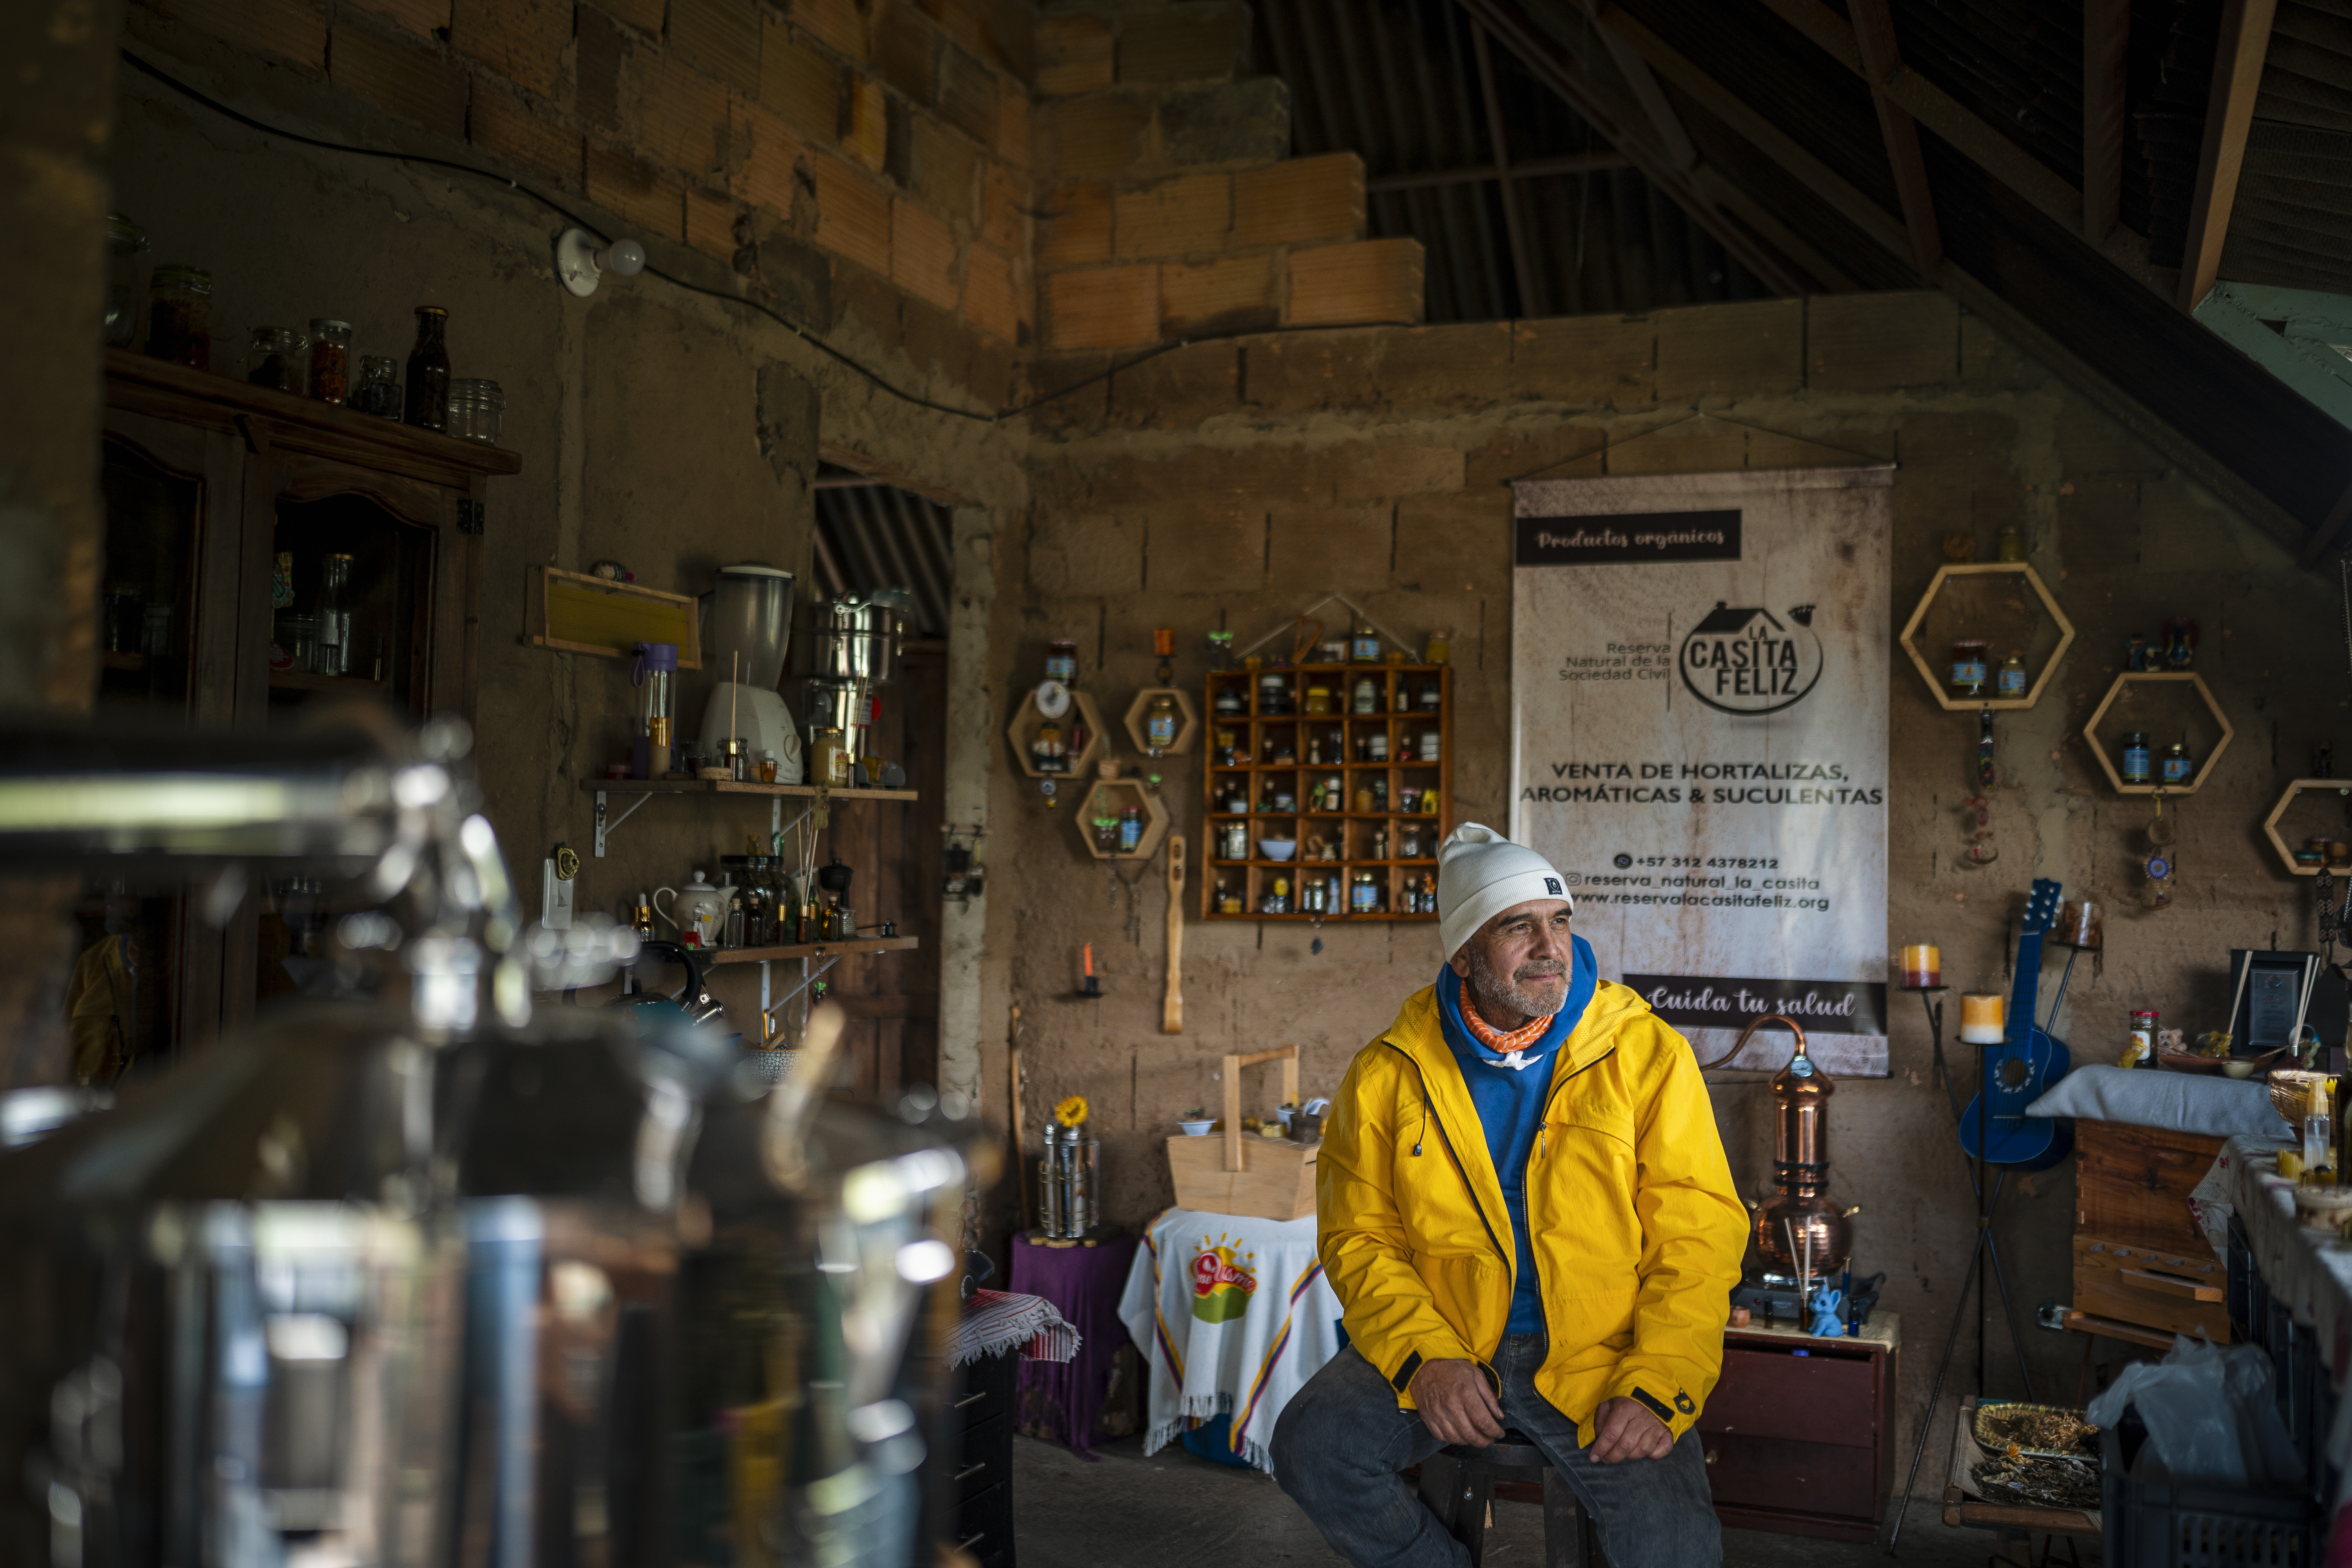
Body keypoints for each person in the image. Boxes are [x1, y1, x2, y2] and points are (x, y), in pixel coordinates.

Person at [1271, 823, 1748, 1568]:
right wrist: (1425, 1358)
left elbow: (1700, 1233)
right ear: (1463, 954)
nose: (1549, 946)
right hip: (1452, 1335)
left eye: (1559, 922)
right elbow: (1358, 1239)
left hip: (1604, 1354)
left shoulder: (1645, 1052)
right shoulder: (1388, 1072)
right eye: (1517, 927)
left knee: (1675, 1551)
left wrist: (1658, 1383)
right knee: (1311, 1448)